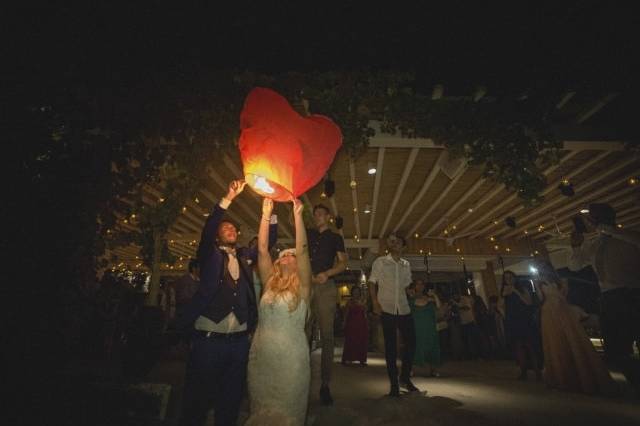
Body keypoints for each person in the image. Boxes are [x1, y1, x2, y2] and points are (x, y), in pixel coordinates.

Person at [177, 180, 277, 426]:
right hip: (208, 341)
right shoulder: (209, 254)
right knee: (197, 400)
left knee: (231, 400)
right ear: (218, 236)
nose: (230, 229)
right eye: (226, 228)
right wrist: (228, 197)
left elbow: (267, 243)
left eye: (233, 227)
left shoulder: (244, 255)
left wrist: (270, 214)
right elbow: (209, 228)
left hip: (239, 342)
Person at [246, 197, 312, 426]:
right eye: (283, 253)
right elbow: (263, 249)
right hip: (261, 356)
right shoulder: (268, 283)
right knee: (259, 410)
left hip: (291, 360)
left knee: (288, 414)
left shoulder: (303, 287)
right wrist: (266, 214)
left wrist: (297, 215)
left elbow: (303, 251)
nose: (287, 256)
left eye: (291, 255)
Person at [569, 203, 640, 389]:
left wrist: (607, 229)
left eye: (592, 216)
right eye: (591, 217)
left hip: (634, 294)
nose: (590, 220)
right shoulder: (594, 244)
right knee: (615, 351)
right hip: (610, 298)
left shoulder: (629, 235)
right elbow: (575, 266)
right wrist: (576, 246)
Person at [534, 259, 617, 395]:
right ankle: (562, 378)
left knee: (573, 340)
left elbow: (564, 297)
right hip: (548, 312)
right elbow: (540, 299)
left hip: (563, 310)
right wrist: (537, 286)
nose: (541, 270)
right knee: (555, 343)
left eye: (542, 267)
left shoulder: (562, 280)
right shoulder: (539, 282)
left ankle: (581, 375)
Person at [369, 233, 420, 397]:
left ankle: (405, 377)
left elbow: (406, 286)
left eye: (398, 242)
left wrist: (414, 292)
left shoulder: (406, 265)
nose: (395, 243)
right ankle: (394, 385)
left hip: (404, 308)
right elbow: (372, 282)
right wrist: (375, 303)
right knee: (391, 347)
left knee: (412, 343)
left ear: (404, 247)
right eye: (393, 242)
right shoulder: (380, 262)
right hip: (387, 308)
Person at [307, 203, 347, 405]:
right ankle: (301, 379)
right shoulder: (309, 234)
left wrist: (327, 274)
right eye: (315, 214)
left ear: (328, 216)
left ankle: (325, 384)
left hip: (326, 287)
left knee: (328, 336)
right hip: (306, 287)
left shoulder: (335, 238)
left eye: (321, 213)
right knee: (303, 333)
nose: (317, 216)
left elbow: (343, 263)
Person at [501, 271, 542, 381]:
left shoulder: (522, 288)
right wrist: (505, 316)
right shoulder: (504, 291)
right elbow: (502, 306)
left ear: (515, 278)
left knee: (530, 345)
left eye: (510, 277)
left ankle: (537, 370)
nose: (508, 280)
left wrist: (515, 291)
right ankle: (523, 371)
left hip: (524, 319)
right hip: (512, 320)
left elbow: (528, 302)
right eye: (506, 278)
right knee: (518, 347)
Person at [408, 279, 441, 377]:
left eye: (421, 284)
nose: (420, 286)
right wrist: (429, 299)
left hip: (430, 326)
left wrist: (434, 295)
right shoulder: (411, 297)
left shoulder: (429, 297)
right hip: (418, 326)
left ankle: (433, 370)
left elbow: (439, 306)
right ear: (414, 286)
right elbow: (419, 303)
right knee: (417, 346)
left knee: (433, 346)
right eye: (418, 284)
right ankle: (410, 369)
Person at [341, 286, 369, 366]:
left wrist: (367, 323)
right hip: (351, 323)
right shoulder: (349, 302)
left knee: (361, 340)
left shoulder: (363, 301)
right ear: (352, 292)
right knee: (350, 340)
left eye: (357, 291)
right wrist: (344, 322)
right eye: (354, 291)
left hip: (361, 323)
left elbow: (365, 312)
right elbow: (346, 313)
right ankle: (347, 358)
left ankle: (362, 360)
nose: (356, 293)